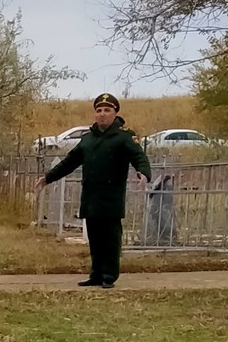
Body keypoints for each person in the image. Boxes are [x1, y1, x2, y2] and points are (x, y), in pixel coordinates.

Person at [42, 92, 151, 287]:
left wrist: (143, 172)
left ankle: (109, 275)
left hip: (111, 197)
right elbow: (69, 162)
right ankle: (96, 275)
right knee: (95, 239)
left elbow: (139, 156)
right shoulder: (87, 139)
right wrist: (47, 178)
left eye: (107, 110)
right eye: (99, 110)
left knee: (110, 239)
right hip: (91, 197)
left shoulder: (123, 137)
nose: (102, 114)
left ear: (115, 113)